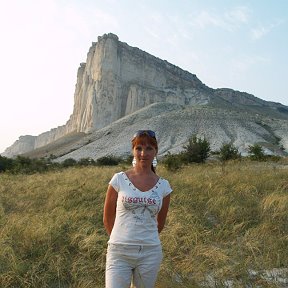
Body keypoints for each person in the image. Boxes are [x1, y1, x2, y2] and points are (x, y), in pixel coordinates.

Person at [103, 130, 172, 288]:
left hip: (150, 253)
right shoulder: (119, 179)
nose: (143, 153)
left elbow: (159, 224)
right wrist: (121, 240)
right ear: (133, 151)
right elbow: (107, 218)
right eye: (139, 148)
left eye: (149, 148)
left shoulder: (164, 186)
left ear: (156, 152)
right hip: (119, 252)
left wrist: (143, 238)